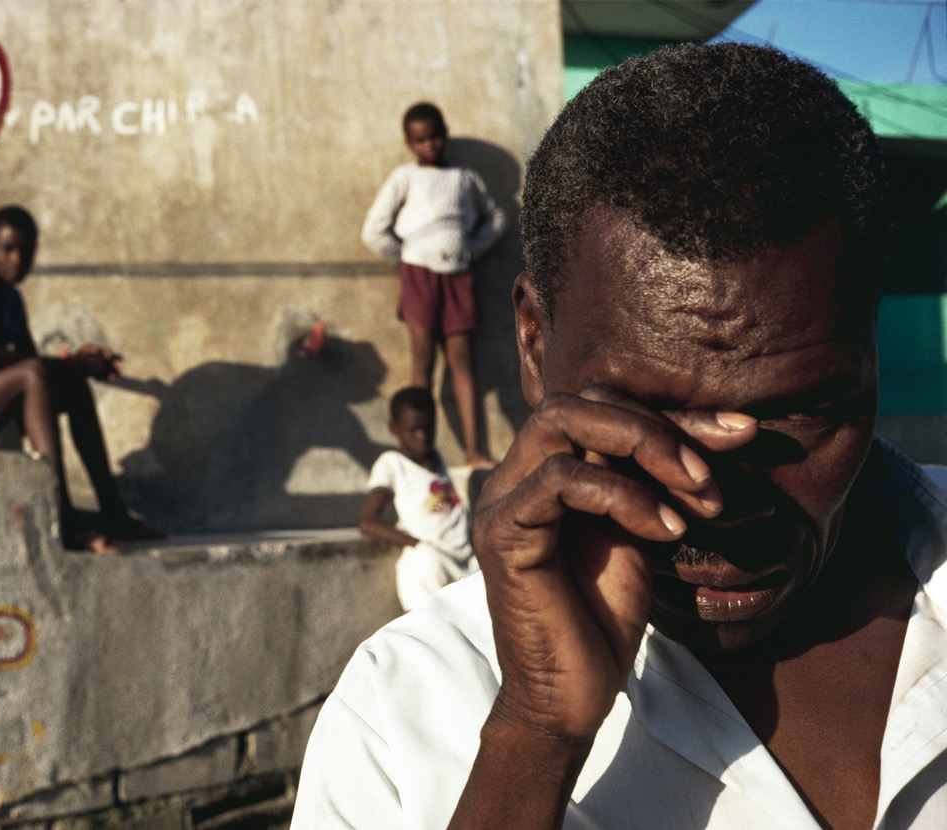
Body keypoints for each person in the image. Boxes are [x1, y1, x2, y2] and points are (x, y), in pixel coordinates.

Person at [293, 43, 947, 829]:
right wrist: (535, 736)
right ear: (535, 342)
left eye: (800, 413)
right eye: (646, 423)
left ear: (868, 347)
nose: (718, 503)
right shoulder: (400, 716)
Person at [0, 205, 155, 552]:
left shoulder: (13, 301)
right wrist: (77, 362)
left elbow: (42, 374)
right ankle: (61, 517)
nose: (17, 259)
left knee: (69, 387)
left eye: (26, 250)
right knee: (37, 374)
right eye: (8, 249)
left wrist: (77, 370)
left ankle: (112, 512)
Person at [361, 102, 507, 470]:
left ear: (446, 133)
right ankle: (419, 455)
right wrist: (406, 258)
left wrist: (473, 248)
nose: (430, 145)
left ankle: (474, 451)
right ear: (409, 143)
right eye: (421, 140)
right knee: (422, 367)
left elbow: (498, 217)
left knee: (463, 365)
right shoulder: (404, 178)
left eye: (435, 136)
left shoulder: (464, 177)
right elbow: (374, 230)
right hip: (419, 276)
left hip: (458, 275)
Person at [359, 386, 478, 610]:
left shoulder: (437, 457)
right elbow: (367, 522)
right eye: (413, 430)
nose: (421, 436)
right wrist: (417, 544)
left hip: (465, 558)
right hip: (433, 557)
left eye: (427, 428)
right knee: (420, 567)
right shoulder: (391, 463)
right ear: (394, 428)